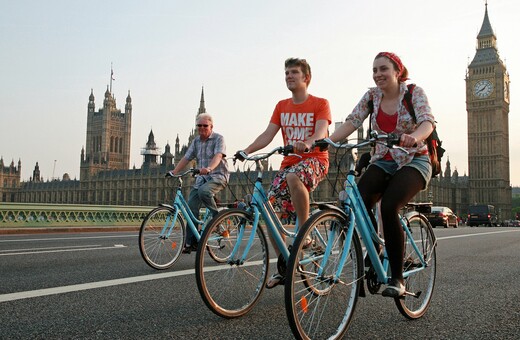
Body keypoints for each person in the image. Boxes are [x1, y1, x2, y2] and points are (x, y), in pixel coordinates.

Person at [327, 52, 435, 297]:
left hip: (414, 159)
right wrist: (325, 141)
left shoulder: (413, 93)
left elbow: (428, 122)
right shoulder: (372, 96)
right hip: (383, 159)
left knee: (388, 206)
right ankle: (374, 252)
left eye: (383, 69)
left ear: (397, 71)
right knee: (359, 199)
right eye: (374, 70)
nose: (378, 74)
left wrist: (414, 137)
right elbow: (352, 122)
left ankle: (397, 278)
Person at [236, 57, 331, 288]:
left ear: (306, 77)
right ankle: (285, 265)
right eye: (287, 72)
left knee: (293, 177)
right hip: (289, 163)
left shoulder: (320, 103)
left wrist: (308, 143)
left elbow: (321, 131)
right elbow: (268, 135)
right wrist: (246, 150)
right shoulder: (281, 106)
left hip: (314, 160)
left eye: (294, 72)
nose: (289, 76)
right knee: (267, 209)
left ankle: (304, 229)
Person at [169, 113, 229, 254]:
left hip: (217, 176)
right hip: (201, 179)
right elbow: (186, 157)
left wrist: (209, 168)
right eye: (199, 125)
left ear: (211, 126)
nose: (202, 128)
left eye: (205, 125)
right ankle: (192, 242)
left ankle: (217, 218)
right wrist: (175, 171)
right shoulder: (196, 142)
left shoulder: (219, 139)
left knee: (204, 192)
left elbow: (218, 156)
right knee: (191, 206)